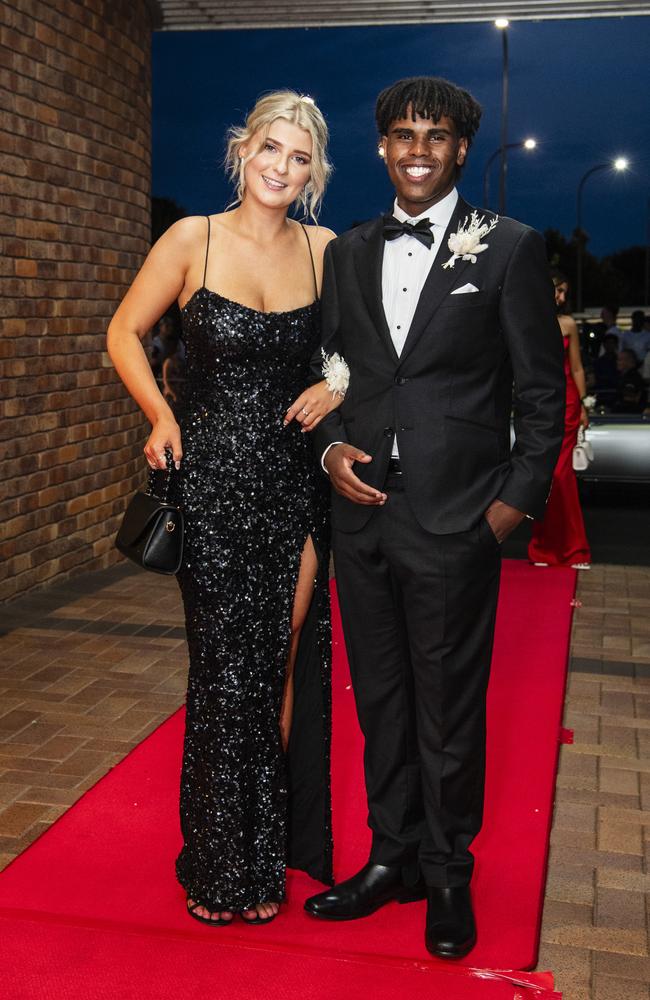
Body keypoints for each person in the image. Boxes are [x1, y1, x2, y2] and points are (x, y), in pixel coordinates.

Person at [304, 76, 565, 959]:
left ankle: (450, 870)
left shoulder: (510, 248)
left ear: (460, 150)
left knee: (448, 709)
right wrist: (332, 450)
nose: (418, 149)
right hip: (362, 517)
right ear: (381, 147)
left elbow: (541, 393)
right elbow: (333, 370)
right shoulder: (347, 250)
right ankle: (393, 858)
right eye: (403, 134)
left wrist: (508, 510)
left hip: (458, 519)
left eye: (437, 136)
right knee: (380, 700)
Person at [107, 91, 340, 927]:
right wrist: (161, 415)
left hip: (294, 488)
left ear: (314, 170)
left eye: (299, 156)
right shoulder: (190, 238)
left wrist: (333, 382)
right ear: (243, 150)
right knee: (222, 669)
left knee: (276, 661)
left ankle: (260, 850)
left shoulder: (326, 249)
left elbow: (365, 351)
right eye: (270, 148)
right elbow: (123, 332)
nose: (281, 166)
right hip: (208, 485)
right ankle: (215, 859)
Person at [528, 272, 591, 569]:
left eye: (565, 292)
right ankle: (542, 548)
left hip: (566, 404)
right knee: (544, 476)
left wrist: (584, 405)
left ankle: (574, 549)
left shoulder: (568, 324)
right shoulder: (526, 320)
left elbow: (577, 368)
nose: (562, 298)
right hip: (539, 405)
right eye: (558, 291)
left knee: (561, 476)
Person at [614, 348, 648, 413]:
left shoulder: (633, 378)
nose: (617, 362)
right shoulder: (623, 377)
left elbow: (629, 402)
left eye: (620, 360)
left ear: (630, 361)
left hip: (630, 417)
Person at [593, 332, 619, 409]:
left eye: (612, 343)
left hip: (616, 394)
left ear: (616, 345)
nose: (610, 345)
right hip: (601, 394)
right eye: (608, 343)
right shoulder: (598, 362)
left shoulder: (619, 360)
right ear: (604, 345)